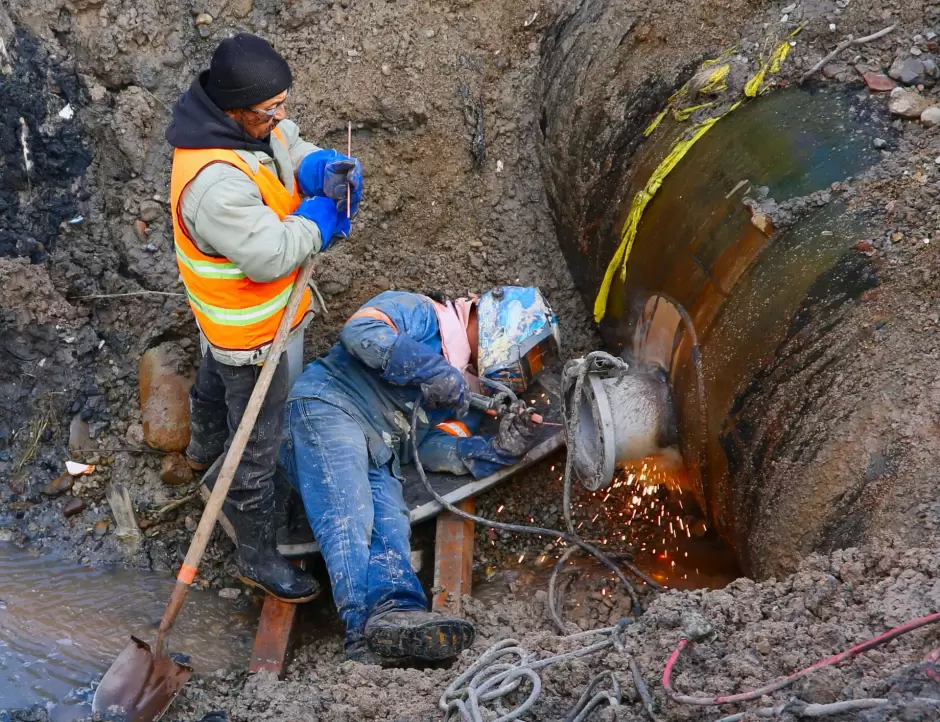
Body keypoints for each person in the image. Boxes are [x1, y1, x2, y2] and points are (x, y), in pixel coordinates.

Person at [165, 33, 363, 603]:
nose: (280, 116)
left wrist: (318, 166)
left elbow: (286, 144)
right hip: (252, 334)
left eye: (283, 103)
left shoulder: (242, 123)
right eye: (269, 109)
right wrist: (319, 220)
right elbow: (271, 253)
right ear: (234, 110)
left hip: (224, 320)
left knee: (210, 380)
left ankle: (200, 447)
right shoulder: (214, 183)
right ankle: (256, 556)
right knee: (257, 447)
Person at [281, 286, 561, 662]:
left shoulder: (465, 391)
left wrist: (496, 451)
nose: (526, 367)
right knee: (350, 512)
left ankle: (397, 616)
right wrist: (431, 368)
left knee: (391, 524)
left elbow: (429, 449)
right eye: (531, 352)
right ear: (506, 324)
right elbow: (360, 333)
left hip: (381, 450)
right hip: (328, 406)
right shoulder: (421, 313)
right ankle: (360, 635)